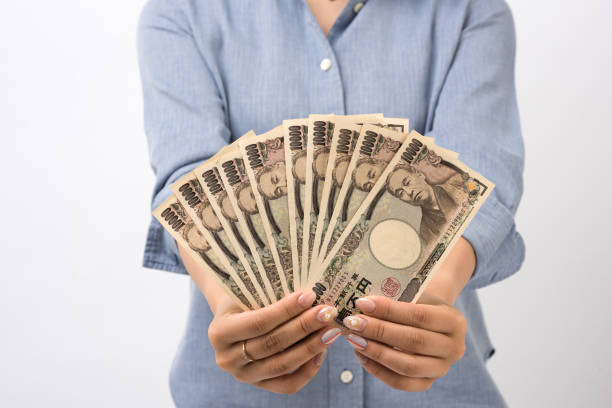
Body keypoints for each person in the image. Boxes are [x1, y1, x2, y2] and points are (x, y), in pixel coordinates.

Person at [138, 0, 525, 406]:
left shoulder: (471, 11)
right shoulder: (181, 11)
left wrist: (433, 296)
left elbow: (482, 180)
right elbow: (189, 190)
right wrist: (235, 307)